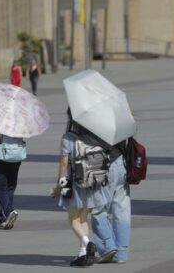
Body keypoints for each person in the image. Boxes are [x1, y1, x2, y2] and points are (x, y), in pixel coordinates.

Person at [51, 108, 111, 267]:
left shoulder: (68, 138)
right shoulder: (93, 137)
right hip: (91, 182)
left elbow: (64, 162)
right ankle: (83, 253)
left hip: (75, 182)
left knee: (73, 219)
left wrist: (59, 184)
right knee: (83, 218)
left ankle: (87, 242)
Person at [91, 140, 130, 264]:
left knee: (98, 209)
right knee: (122, 210)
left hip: (105, 166)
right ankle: (122, 252)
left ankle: (108, 246)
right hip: (122, 164)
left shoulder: (98, 124)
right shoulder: (120, 122)